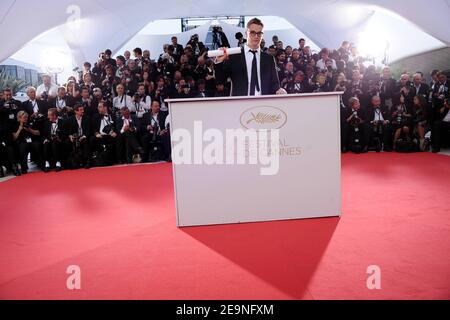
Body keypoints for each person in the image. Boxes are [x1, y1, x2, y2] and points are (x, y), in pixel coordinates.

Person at [214, 18, 286, 96]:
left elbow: (274, 83)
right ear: (246, 33)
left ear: (262, 35)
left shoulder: (269, 59)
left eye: (259, 33)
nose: (256, 36)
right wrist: (219, 61)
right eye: (252, 32)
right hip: (240, 103)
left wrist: (279, 90)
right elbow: (220, 80)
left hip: (264, 103)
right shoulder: (234, 56)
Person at [7, 111, 41, 175]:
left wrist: (30, 130)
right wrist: (19, 129)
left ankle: (41, 164)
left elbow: (38, 133)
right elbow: (14, 138)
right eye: (24, 117)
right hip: (21, 142)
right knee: (23, 147)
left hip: (32, 141)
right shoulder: (15, 125)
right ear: (19, 118)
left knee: (37, 145)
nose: (26, 119)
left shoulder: (30, 123)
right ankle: (24, 167)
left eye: (27, 117)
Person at [42, 108, 66, 172]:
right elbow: (44, 134)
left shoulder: (62, 122)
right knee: (46, 144)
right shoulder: (46, 123)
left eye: (49, 115)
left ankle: (58, 163)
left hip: (59, 141)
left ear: (54, 115)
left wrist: (59, 138)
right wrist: (45, 139)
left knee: (55, 144)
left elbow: (65, 133)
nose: (48, 116)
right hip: (49, 140)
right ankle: (47, 164)